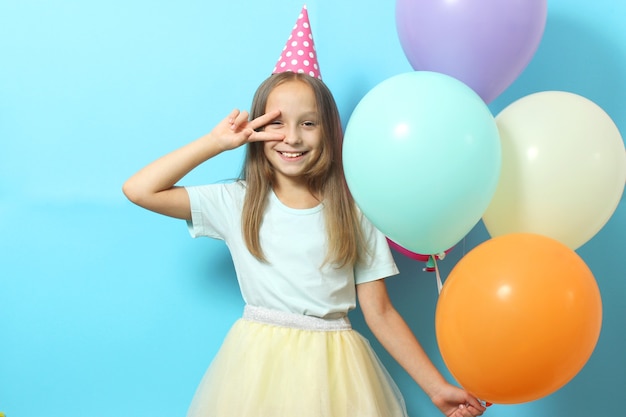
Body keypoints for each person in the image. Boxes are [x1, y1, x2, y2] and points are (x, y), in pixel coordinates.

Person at [123, 6, 487, 417]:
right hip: (256, 370)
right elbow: (139, 190)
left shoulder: (354, 211)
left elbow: (380, 311)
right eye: (277, 122)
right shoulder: (238, 202)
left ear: (329, 130)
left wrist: (436, 388)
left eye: (308, 123)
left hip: (336, 373)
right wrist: (216, 142)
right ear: (257, 130)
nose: (291, 138)